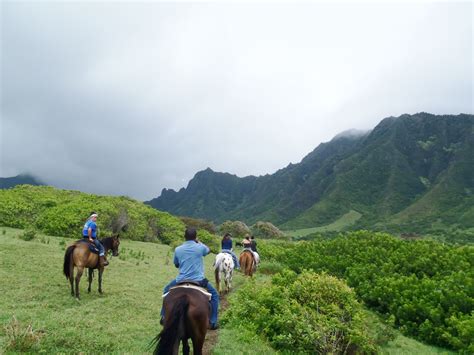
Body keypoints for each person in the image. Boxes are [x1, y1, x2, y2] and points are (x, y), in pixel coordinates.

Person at [161, 228, 220, 330]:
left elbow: (176, 264)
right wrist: (199, 242)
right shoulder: (200, 247)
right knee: (214, 295)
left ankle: (163, 316)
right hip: (199, 280)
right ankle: (213, 322)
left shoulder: (178, 249)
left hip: (180, 280)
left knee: (166, 290)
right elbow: (208, 250)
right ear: (195, 237)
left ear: (184, 237)